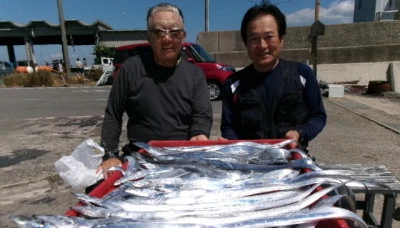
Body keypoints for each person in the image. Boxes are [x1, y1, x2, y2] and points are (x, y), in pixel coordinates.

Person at [98, 2, 213, 180]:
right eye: (159, 32)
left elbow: (202, 115)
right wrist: (110, 155)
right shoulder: (131, 69)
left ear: (183, 36)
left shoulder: (195, 74)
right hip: (140, 157)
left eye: (174, 32)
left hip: (183, 157)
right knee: (97, 190)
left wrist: (199, 133)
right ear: (149, 37)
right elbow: (113, 115)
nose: (167, 39)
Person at [220, 2, 327, 152]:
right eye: (254, 39)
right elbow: (228, 126)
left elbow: (318, 117)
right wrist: (238, 147)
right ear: (246, 43)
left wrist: (299, 133)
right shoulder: (233, 83)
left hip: (292, 157)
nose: (262, 45)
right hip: (249, 161)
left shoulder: (302, 73)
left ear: (281, 39)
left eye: (269, 37)